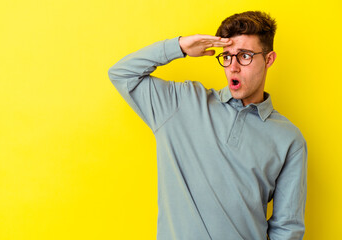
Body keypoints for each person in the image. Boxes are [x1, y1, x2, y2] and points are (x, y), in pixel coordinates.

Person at [108, 11, 307, 240]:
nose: (233, 66)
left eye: (244, 56)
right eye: (227, 56)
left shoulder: (289, 139)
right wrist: (180, 46)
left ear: (269, 59)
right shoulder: (180, 103)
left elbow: (287, 228)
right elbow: (122, 75)